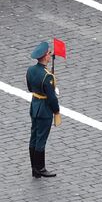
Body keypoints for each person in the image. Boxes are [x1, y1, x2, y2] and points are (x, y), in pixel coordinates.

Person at [27, 40, 61, 178]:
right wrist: (56, 111)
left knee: (34, 137)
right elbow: (52, 98)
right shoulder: (47, 77)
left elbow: (30, 88)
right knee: (41, 139)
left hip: (34, 106)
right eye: (49, 53)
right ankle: (40, 167)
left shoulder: (30, 70)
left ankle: (34, 168)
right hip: (44, 109)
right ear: (45, 56)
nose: (50, 55)